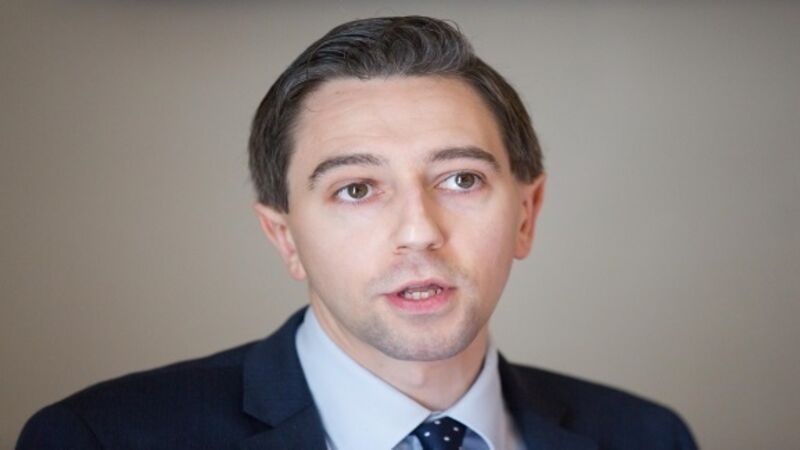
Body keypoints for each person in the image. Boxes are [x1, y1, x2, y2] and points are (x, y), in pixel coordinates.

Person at [17, 16, 697, 450]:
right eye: (356, 189)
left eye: (461, 179)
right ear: (284, 238)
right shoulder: (98, 437)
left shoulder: (648, 436)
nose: (419, 231)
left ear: (527, 214)